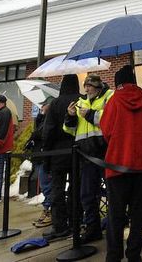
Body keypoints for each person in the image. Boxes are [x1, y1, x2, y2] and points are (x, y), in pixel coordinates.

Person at [101, 65, 142, 262]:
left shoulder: (114, 100)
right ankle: (133, 254)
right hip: (141, 165)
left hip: (117, 165)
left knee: (115, 216)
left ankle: (113, 256)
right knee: (138, 214)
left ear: (118, 82)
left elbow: (106, 129)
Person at [64, 73, 113, 243]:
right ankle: (93, 228)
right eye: (85, 87)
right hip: (86, 156)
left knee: (112, 193)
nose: (86, 90)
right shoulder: (80, 102)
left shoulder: (109, 97)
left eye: (90, 87)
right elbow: (70, 130)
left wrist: (90, 114)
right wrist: (70, 116)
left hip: (105, 154)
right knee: (87, 194)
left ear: (98, 87)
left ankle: (115, 224)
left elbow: (111, 120)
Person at [42, 74, 81, 242]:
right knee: (75, 188)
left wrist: (46, 154)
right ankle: (76, 223)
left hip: (57, 153)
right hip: (78, 151)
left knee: (57, 189)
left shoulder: (56, 103)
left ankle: (60, 226)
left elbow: (48, 131)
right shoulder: (82, 100)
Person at [29, 99, 53, 228]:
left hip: (45, 157)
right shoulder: (41, 119)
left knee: (47, 185)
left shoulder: (50, 120)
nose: (42, 107)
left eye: (44, 105)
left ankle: (49, 212)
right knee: (44, 186)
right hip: (39, 156)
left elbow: (43, 135)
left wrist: (35, 134)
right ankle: (46, 210)